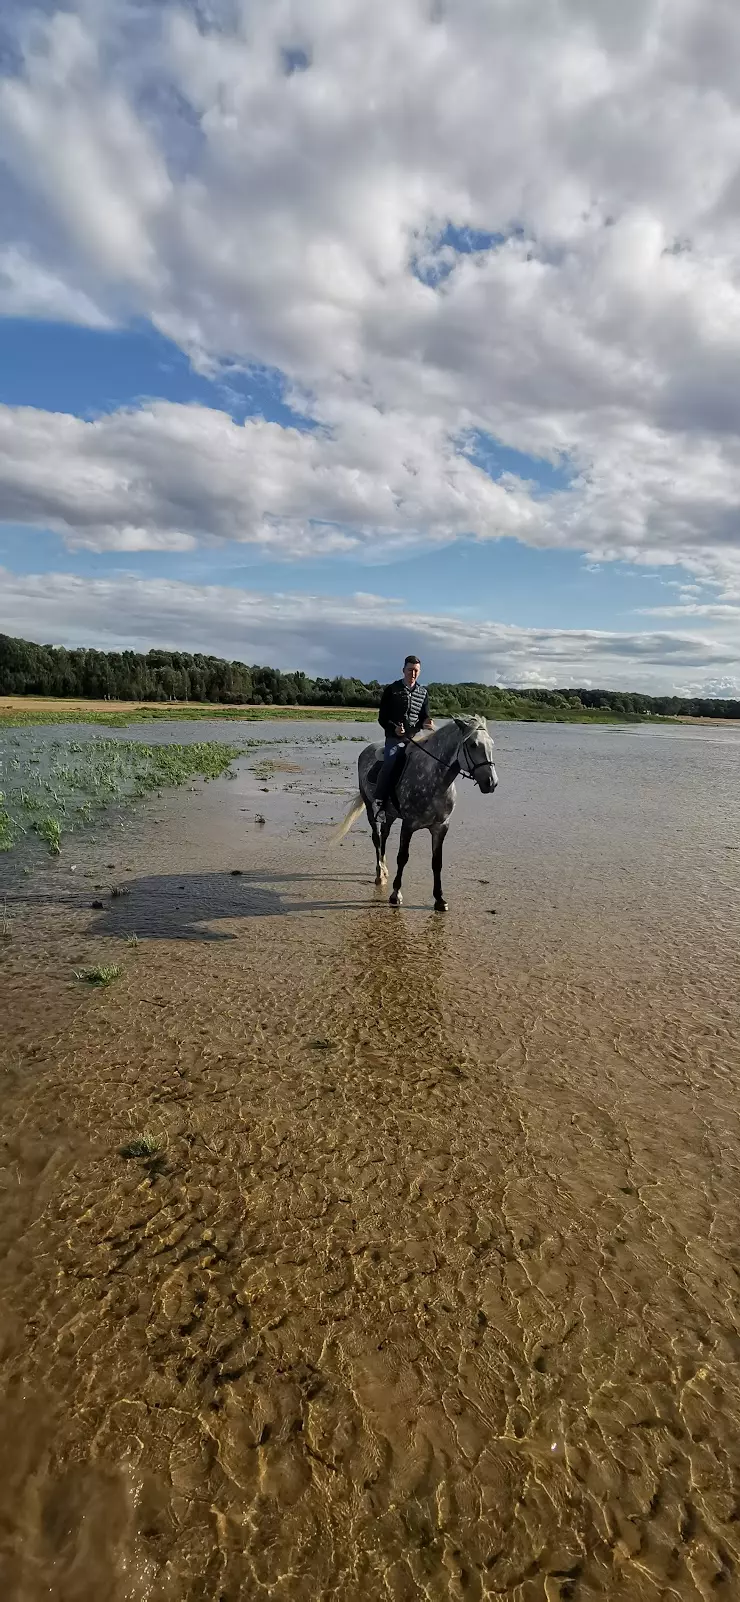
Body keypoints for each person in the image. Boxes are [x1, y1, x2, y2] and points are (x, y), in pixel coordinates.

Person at [371, 655, 435, 816]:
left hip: (414, 739)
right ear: (403, 670)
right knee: (390, 762)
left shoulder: (423, 693)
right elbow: (382, 718)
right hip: (394, 738)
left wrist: (428, 723)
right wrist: (394, 730)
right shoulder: (392, 690)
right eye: (410, 670)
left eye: (416, 671)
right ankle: (378, 802)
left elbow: (424, 717)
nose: (413, 674)